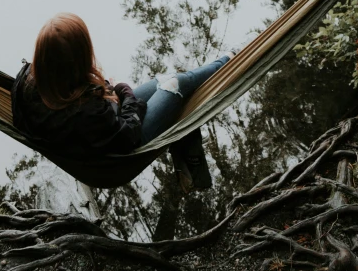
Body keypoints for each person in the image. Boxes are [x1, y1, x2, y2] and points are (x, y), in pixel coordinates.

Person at [12, 12, 237, 190]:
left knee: (167, 82)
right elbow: (127, 134)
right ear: (79, 59)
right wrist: (125, 92)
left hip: (97, 136)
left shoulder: (27, 84)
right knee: (176, 85)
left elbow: (86, 116)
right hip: (119, 158)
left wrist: (109, 92)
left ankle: (190, 166)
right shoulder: (88, 112)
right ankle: (228, 61)